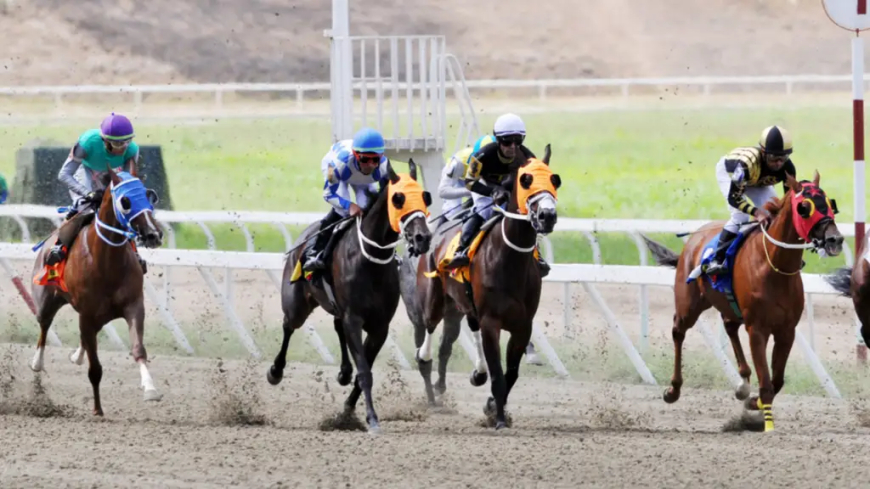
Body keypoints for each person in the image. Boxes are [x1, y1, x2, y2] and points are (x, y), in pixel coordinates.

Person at [443, 113, 550, 276]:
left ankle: (536, 255)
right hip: (484, 185)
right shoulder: (481, 156)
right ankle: (461, 250)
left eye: (518, 141)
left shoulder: (528, 158)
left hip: (510, 187)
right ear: (498, 140)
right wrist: (492, 192)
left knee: (524, 215)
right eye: (507, 142)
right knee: (483, 211)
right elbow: (470, 182)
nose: (513, 147)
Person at [44, 113, 149, 273]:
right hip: (84, 170)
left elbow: (127, 182)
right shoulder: (88, 142)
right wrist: (87, 193)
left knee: (124, 208)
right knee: (84, 206)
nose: (121, 148)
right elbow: (64, 174)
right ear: (104, 140)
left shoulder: (132, 150)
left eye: (126, 142)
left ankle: (134, 251)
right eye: (116, 144)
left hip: (111, 173)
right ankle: (59, 246)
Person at [705, 125, 797, 275]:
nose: (779, 163)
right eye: (774, 158)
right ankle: (717, 258)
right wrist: (756, 212)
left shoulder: (788, 168)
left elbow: (788, 201)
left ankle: (776, 253)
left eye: (783, 157)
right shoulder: (746, 165)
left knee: (774, 210)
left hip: (757, 179)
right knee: (740, 216)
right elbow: (734, 198)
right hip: (731, 174)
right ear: (763, 153)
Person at [301, 127, 390, 272]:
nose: (370, 165)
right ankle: (315, 252)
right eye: (365, 159)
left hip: (362, 180)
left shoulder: (384, 167)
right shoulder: (336, 165)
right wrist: (349, 206)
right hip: (340, 176)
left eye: (375, 159)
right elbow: (329, 194)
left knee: (369, 208)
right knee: (342, 212)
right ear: (356, 155)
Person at [435, 135, 496, 227]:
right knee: (452, 210)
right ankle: (436, 236)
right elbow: (442, 191)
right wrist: (470, 191)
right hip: (457, 178)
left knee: (485, 207)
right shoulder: (458, 163)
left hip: (474, 180)